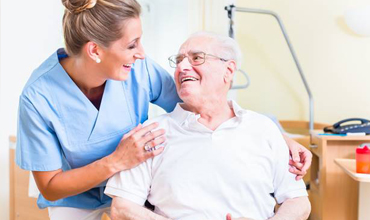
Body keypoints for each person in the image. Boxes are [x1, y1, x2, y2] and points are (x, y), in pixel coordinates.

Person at [16, 0, 309, 219]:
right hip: (75, 196)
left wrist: (280, 139)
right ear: (95, 51)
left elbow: (203, 103)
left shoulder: (138, 69)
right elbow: (51, 186)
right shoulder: (39, 97)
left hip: (133, 186)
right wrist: (117, 161)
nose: (142, 53)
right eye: (132, 45)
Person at [105, 32, 311, 220]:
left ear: (228, 70)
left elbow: (299, 202)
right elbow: (122, 208)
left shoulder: (263, 129)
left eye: (196, 58)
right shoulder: (150, 133)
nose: (181, 67)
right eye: (178, 61)